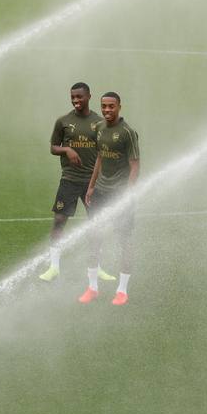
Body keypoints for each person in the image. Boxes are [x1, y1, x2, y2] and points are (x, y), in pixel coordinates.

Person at [39, 83, 110, 284]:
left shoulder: (99, 123)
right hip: (69, 180)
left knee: (96, 224)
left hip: (92, 183)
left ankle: (97, 268)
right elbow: (53, 147)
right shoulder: (63, 121)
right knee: (59, 221)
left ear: (89, 96)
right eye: (73, 97)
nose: (76, 101)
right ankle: (54, 267)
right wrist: (67, 150)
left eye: (79, 97)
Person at [80, 92, 140, 306]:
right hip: (101, 192)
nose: (106, 110)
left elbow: (135, 165)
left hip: (120, 193)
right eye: (104, 106)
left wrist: (129, 193)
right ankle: (92, 287)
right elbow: (99, 158)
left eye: (111, 106)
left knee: (124, 241)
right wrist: (91, 186)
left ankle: (122, 290)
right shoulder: (100, 129)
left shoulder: (128, 133)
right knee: (93, 237)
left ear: (119, 107)